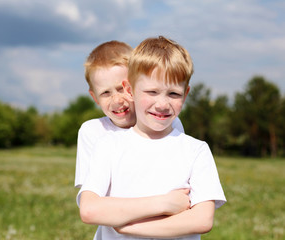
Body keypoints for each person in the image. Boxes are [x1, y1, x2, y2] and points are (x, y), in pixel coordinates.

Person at [79, 36, 226, 239]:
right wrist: (165, 203)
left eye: (174, 93)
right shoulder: (108, 144)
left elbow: (202, 220)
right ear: (130, 90)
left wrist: (130, 227)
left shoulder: (196, 150)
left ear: (186, 94)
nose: (163, 104)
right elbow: (89, 210)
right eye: (152, 91)